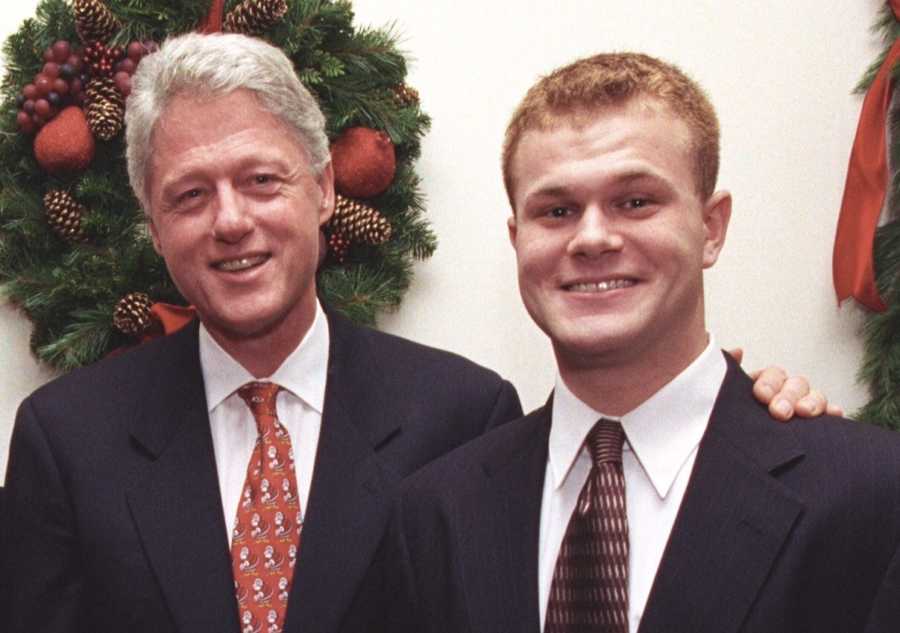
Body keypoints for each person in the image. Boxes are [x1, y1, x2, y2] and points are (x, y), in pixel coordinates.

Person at [2, 34, 828, 633]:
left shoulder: (464, 415)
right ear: (151, 221)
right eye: (188, 196)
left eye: (262, 180)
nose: (231, 221)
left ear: (324, 189)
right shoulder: (66, 439)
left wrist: (740, 415)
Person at [376, 53, 900, 633]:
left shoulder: (873, 494)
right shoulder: (436, 513)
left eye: (635, 202)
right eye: (557, 211)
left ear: (711, 227)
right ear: (517, 238)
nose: (592, 237)